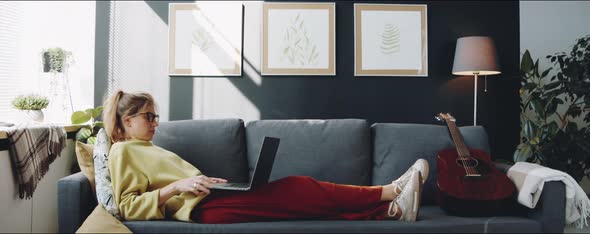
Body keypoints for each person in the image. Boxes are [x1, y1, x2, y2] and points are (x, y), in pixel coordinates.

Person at [104, 90, 430, 224]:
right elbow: (127, 207)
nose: (155, 122)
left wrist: (205, 181)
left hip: (212, 198)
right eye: (149, 116)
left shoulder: (147, 148)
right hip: (203, 210)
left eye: (155, 116)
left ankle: (390, 210)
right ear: (126, 121)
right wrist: (179, 187)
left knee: (300, 199)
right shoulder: (122, 152)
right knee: (299, 188)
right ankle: (388, 192)